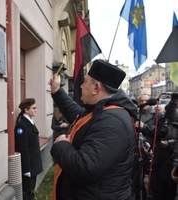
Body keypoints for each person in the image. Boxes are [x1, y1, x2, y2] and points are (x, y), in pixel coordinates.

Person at [48, 59, 138, 200]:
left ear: (96, 88)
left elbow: (86, 167)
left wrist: (61, 145)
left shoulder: (113, 121)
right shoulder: (102, 112)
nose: (81, 86)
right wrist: (56, 91)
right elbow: (76, 114)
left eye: (85, 82)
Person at [133, 94, 168, 200]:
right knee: (138, 182)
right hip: (138, 153)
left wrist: (145, 127)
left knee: (154, 182)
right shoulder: (135, 114)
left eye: (146, 100)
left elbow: (163, 131)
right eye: (142, 100)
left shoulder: (158, 115)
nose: (144, 103)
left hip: (153, 152)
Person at [14, 98, 43, 200]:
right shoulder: (21, 126)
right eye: (33, 108)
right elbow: (23, 148)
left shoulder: (30, 122)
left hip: (33, 164)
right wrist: (26, 169)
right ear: (26, 110)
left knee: (31, 191)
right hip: (28, 166)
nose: (36, 110)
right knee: (27, 192)